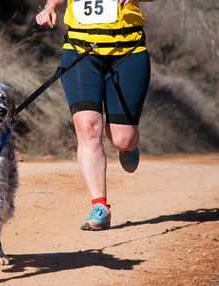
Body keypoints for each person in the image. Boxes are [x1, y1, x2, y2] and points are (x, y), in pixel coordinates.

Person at [36, 0, 155, 230]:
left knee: (122, 138)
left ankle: (127, 147)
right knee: (88, 127)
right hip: (81, 50)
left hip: (128, 51)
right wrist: (50, 7)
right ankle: (100, 206)